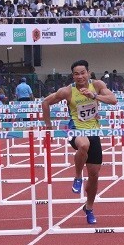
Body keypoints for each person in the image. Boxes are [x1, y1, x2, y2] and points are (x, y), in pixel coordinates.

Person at [42, 60, 118, 224]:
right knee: (83, 145)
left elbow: (113, 100)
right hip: (75, 129)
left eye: (83, 73)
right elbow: (45, 102)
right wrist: (48, 125)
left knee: (94, 175)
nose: (80, 76)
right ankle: (77, 176)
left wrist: (95, 96)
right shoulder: (67, 91)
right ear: (73, 76)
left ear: (88, 73)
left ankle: (89, 207)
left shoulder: (97, 85)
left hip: (94, 132)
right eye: (76, 74)